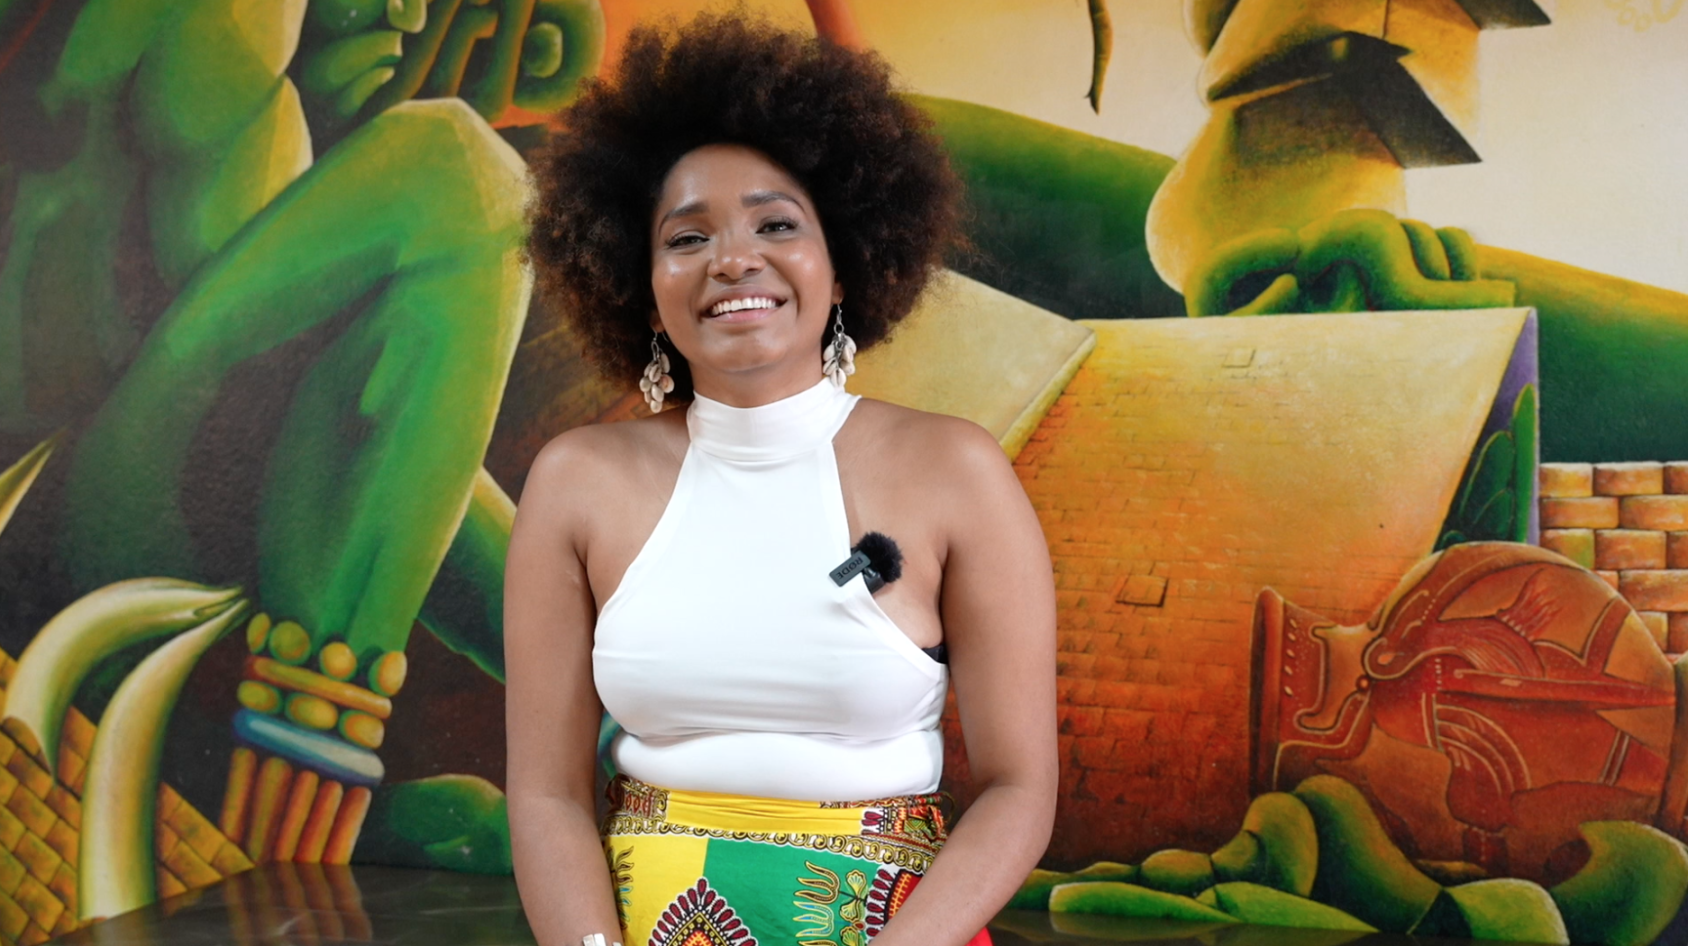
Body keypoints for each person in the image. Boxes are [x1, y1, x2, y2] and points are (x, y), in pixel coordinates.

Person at [505, 15, 1057, 946]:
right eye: (686, 238)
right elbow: (547, 793)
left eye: (775, 223)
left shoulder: (956, 472)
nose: (732, 259)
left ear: (841, 265)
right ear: (639, 285)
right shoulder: (576, 484)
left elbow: (1019, 789)